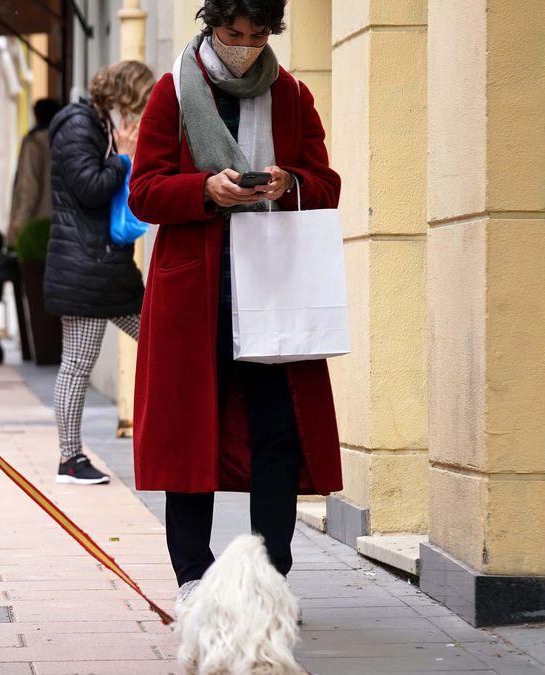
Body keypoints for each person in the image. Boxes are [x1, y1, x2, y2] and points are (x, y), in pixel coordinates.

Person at [127, 0, 343, 605]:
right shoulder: (173, 90)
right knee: (188, 435)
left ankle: (270, 580)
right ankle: (192, 577)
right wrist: (205, 188)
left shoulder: (292, 95)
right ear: (210, 26)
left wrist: (289, 182)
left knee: (277, 435)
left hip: (272, 288)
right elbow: (143, 191)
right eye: (231, 33)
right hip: (196, 292)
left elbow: (326, 182)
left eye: (256, 35)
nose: (244, 45)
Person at [45, 61, 154, 486]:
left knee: (162, 336)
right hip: (85, 271)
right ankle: (69, 460)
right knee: (77, 365)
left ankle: (175, 430)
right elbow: (89, 188)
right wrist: (125, 157)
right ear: (123, 97)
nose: (143, 112)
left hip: (106, 269)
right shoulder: (78, 125)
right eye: (141, 102)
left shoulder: (103, 126)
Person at [7, 98, 60, 246]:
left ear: (36, 116)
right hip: (58, 224)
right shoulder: (64, 139)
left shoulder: (34, 143)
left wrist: (18, 222)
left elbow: (29, 186)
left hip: (34, 226)